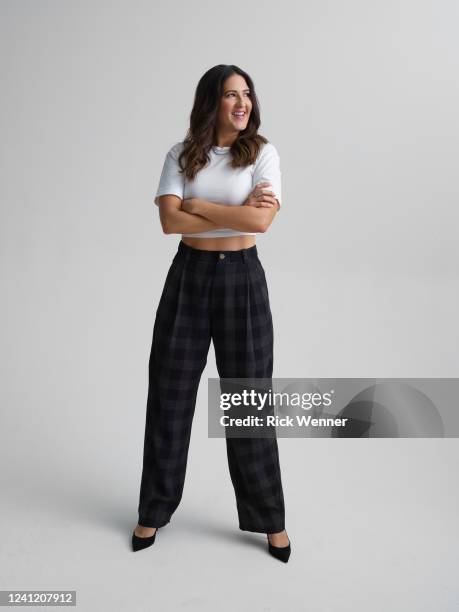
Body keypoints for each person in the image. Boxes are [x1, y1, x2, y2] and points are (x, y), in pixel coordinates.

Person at [132, 64, 291, 562]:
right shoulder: (182, 154)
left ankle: (271, 523)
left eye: (246, 94)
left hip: (242, 279)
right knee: (170, 396)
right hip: (189, 277)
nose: (241, 103)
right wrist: (231, 209)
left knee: (248, 400)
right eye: (230, 95)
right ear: (211, 102)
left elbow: (261, 221)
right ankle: (152, 511)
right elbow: (167, 221)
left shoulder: (262, 153)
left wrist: (198, 205)